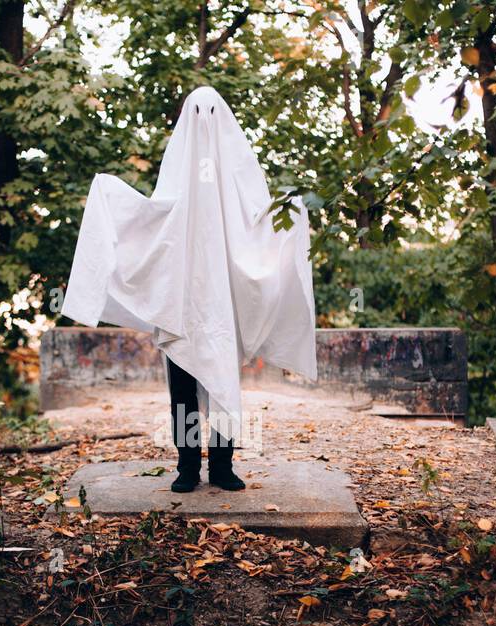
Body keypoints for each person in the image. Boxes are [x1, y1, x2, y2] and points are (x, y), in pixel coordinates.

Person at [62, 86, 317, 492]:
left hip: (225, 305)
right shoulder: (178, 171)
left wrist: (292, 209)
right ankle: (186, 468)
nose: (204, 120)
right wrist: (112, 198)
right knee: (183, 390)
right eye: (197, 111)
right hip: (181, 304)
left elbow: (258, 219)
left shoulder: (237, 172)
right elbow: (156, 217)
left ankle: (222, 466)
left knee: (222, 385)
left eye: (211, 113)